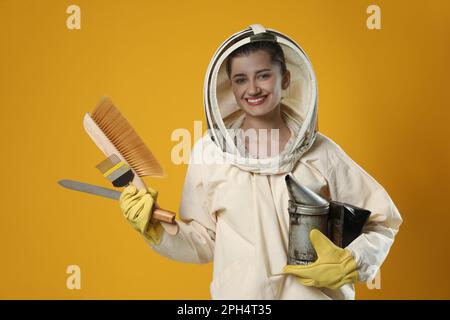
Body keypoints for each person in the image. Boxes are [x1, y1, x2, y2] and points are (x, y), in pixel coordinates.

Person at [119, 25, 403, 299]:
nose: (252, 89)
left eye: (263, 75)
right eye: (241, 79)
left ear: (286, 79)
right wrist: (155, 228)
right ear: (230, 86)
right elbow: (203, 241)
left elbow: (382, 222)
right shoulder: (210, 152)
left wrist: (353, 259)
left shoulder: (322, 153)